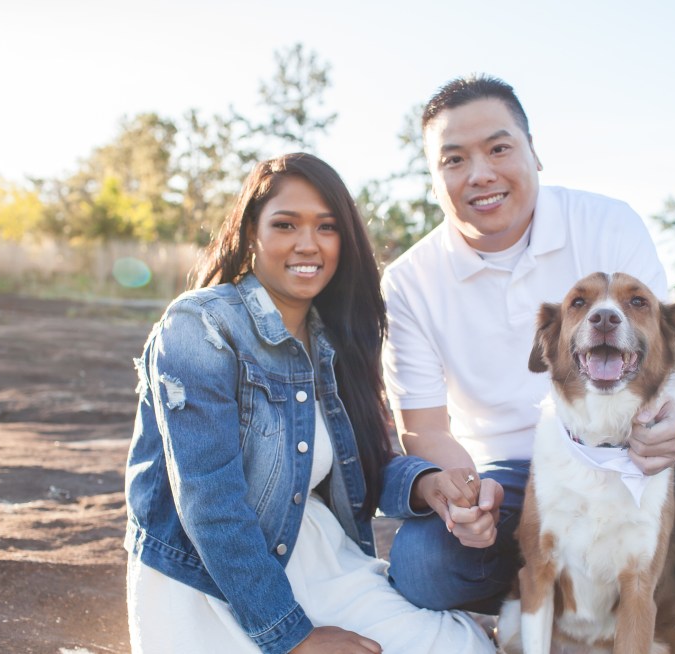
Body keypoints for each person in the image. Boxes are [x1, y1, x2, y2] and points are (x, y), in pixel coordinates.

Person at [381, 76, 675, 653]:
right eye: (454, 159)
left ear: (534, 151)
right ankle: (552, 616)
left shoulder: (607, 222)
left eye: (499, 148)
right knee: (421, 562)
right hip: (509, 476)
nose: (480, 173)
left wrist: (669, 414)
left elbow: (671, 366)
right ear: (434, 176)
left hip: (624, 446)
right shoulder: (409, 281)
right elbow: (425, 429)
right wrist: (468, 498)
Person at [123, 153, 496, 654]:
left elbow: (358, 463)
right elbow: (209, 504)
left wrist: (426, 484)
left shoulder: (335, 335)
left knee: (462, 648)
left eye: (326, 226)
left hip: (317, 552)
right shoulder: (200, 326)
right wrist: (293, 636)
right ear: (250, 233)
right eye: (285, 224)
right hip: (211, 577)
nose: (308, 244)